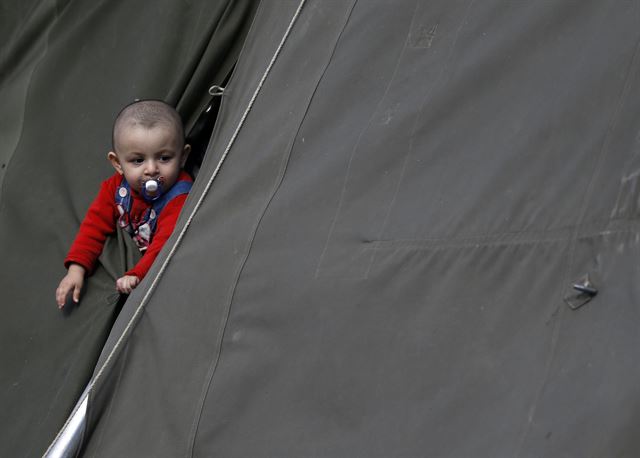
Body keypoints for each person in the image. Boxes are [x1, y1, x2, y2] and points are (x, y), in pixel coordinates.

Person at [55, 100, 192, 308]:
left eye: (164, 158)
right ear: (118, 164)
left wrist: (137, 274)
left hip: (152, 266)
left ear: (183, 157)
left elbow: (164, 243)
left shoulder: (179, 196)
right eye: (138, 161)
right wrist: (76, 269)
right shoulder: (115, 188)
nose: (151, 169)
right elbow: (93, 226)